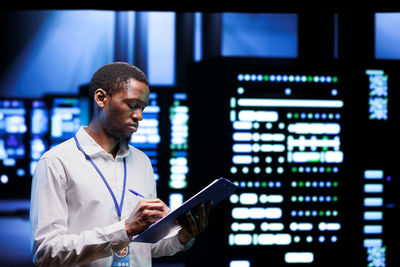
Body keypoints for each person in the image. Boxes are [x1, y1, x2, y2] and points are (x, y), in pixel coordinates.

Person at [30, 62, 211, 267]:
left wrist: (183, 236)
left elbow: (144, 247)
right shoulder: (56, 162)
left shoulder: (142, 162)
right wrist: (124, 230)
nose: (139, 116)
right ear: (101, 98)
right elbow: (46, 253)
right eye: (132, 105)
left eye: (143, 108)